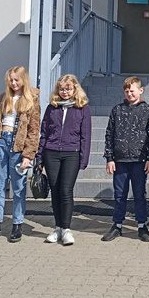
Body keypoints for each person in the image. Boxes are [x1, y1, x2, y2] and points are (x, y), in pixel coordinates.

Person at [0, 66, 41, 243]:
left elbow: (34, 130)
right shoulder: (4, 97)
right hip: (0, 142)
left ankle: (17, 224)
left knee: (18, 187)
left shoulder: (32, 99)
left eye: (16, 80)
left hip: (18, 145)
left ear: (24, 80)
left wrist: (28, 155)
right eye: (11, 80)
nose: (14, 83)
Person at [36, 74, 92, 246]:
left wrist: (83, 158)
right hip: (51, 152)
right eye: (61, 89)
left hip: (71, 153)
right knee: (55, 190)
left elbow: (86, 135)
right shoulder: (52, 107)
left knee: (66, 190)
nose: (64, 92)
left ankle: (66, 229)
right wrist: (39, 157)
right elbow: (44, 132)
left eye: (68, 89)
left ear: (75, 89)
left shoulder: (82, 108)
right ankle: (58, 228)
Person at [101, 77, 149, 243]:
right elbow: (109, 134)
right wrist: (109, 158)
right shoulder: (117, 110)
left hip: (140, 160)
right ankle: (117, 225)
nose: (129, 94)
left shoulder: (148, 110)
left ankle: (141, 225)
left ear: (140, 90)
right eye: (126, 91)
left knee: (139, 194)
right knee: (120, 195)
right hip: (120, 161)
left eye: (132, 90)